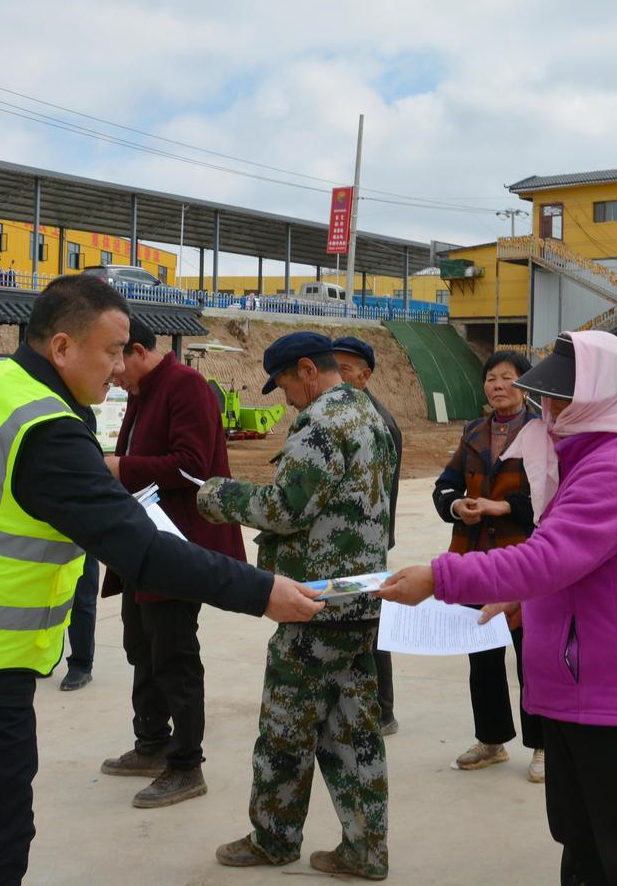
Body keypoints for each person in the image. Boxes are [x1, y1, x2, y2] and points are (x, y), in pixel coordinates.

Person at [0, 275, 322, 886]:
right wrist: (261, 591)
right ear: (61, 347)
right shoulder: (45, 431)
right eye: (110, 351)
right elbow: (141, 549)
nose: (118, 367)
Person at [383, 332, 617, 886]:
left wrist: (440, 576)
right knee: (585, 848)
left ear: (601, 397)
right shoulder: (586, 459)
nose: (547, 411)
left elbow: (549, 556)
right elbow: (578, 565)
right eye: (547, 398)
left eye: (561, 399)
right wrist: (526, 593)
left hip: (614, 697)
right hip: (582, 690)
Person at [197, 331, 394, 881]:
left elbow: (284, 508)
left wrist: (218, 495)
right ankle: (366, 848)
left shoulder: (322, 421)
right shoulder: (368, 413)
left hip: (314, 606)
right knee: (354, 733)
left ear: (308, 369)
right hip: (357, 600)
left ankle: (273, 838)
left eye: (284, 383)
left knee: (285, 728)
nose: (285, 398)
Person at [96, 316, 246, 808]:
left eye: (116, 359)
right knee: (141, 646)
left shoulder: (187, 387)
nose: (112, 373)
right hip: (143, 544)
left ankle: (186, 766)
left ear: (138, 351)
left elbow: (192, 465)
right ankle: (152, 743)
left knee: (174, 654)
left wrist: (121, 467)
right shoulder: (142, 392)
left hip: (178, 546)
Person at [430, 350, 546, 781]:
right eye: (491, 378)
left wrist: (505, 507)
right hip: (474, 559)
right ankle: (491, 740)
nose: (498, 385)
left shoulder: (542, 433)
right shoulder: (474, 431)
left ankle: (543, 745)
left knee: (531, 655)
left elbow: (550, 497)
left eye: (507, 377)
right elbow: (445, 485)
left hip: (521, 559)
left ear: (525, 385)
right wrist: (457, 506)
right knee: (481, 654)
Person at [333, 334, 403, 736]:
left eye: (344, 368)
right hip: (353, 539)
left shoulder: (376, 422)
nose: (337, 376)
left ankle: (382, 710)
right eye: (332, 367)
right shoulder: (347, 412)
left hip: (365, 541)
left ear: (365, 375)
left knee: (371, 623)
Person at [58, 554, 99, 691]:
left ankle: (81, 664)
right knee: (42, 596)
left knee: (82, 598)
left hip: (81, 544)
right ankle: (43, 660)